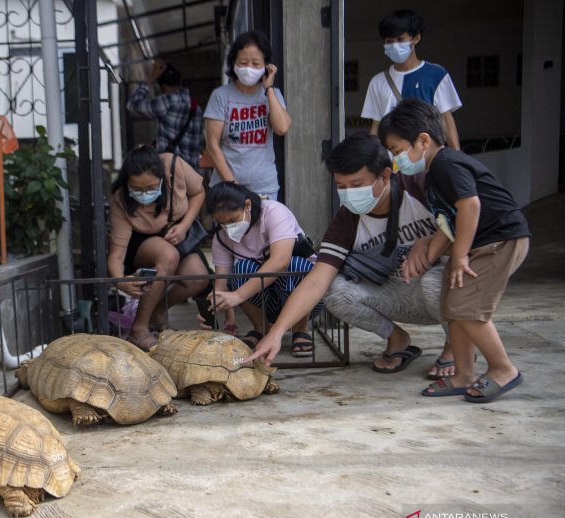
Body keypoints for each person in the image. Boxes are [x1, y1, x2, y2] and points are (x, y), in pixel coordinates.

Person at [244, 133, 452, 371]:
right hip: (394, 295)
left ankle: (455, 345)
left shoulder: (419, 189)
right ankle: (396, 337)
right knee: (334, 290)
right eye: (341, 186)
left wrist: (428, 242)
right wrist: (278, 332)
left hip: (444, 295)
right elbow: (316, 282)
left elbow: (468, 229)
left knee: (435, 281)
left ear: (385, 175)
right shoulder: (347, 220)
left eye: (356, 185)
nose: (349, 193)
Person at [378, 99, 530, 402]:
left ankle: (503, 369)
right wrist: (425, 258)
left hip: (499, 241)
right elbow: (447, 225)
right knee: (453, 307)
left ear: (423, 140)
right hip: (481, 244)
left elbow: (469, 205)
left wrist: (459, 256)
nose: (397, 161)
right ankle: (462, 374)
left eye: (397, 151)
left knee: (469, 310)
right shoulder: (435, 173)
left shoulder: (447, 163)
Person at [108, 145, 209, 352]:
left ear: (163, 178)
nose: (144, 194)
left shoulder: (175, 166)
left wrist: (184, 226)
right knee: (168, 255)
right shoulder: (121, 199)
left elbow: (198, 193)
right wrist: (120, 281)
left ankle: (156, 312)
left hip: (176, 233)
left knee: (198, 277)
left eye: (151, 188)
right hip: (141, 241)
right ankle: (139, 329)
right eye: (137, 189)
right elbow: (116, 254)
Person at [202, 182, 320, 356]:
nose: (228, 227)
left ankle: (301, 329)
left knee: (296, 265)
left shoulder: (273, 212)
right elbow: (222, 284)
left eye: (232, 220)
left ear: (247, 205)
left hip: (308, 297)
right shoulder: (221, 239)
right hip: (266, 300)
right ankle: (261, 328)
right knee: (241, 269)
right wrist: (212, 307)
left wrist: (238, 295)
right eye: (222, 223)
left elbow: (281, 260)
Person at [204, 30, 292, 200]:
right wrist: (233, 185)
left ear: (266, 65)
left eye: (256, 63)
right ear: (233, 62)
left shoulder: (272, 94)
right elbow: (212, 146)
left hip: (265, 189)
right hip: (227, 190)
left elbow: (282, 128)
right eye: (243, 62)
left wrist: (269, 88)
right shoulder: (220, 96)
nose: (248, 69)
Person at [361, 9, 462, 150]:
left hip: (429, 160)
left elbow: (445, 119)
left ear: (416, 38)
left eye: (400, 39)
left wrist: (457, 157)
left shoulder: (437, 75)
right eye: (389, 41)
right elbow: (376, 127)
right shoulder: (377, 82)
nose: (394, 45)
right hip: (393, 162)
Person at [126, 60, 203, 170]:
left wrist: (150, 79)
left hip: (172, 173)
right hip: (192, 174)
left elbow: (132, 105)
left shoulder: (166, 101)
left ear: (161, 86)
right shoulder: (196, 107)